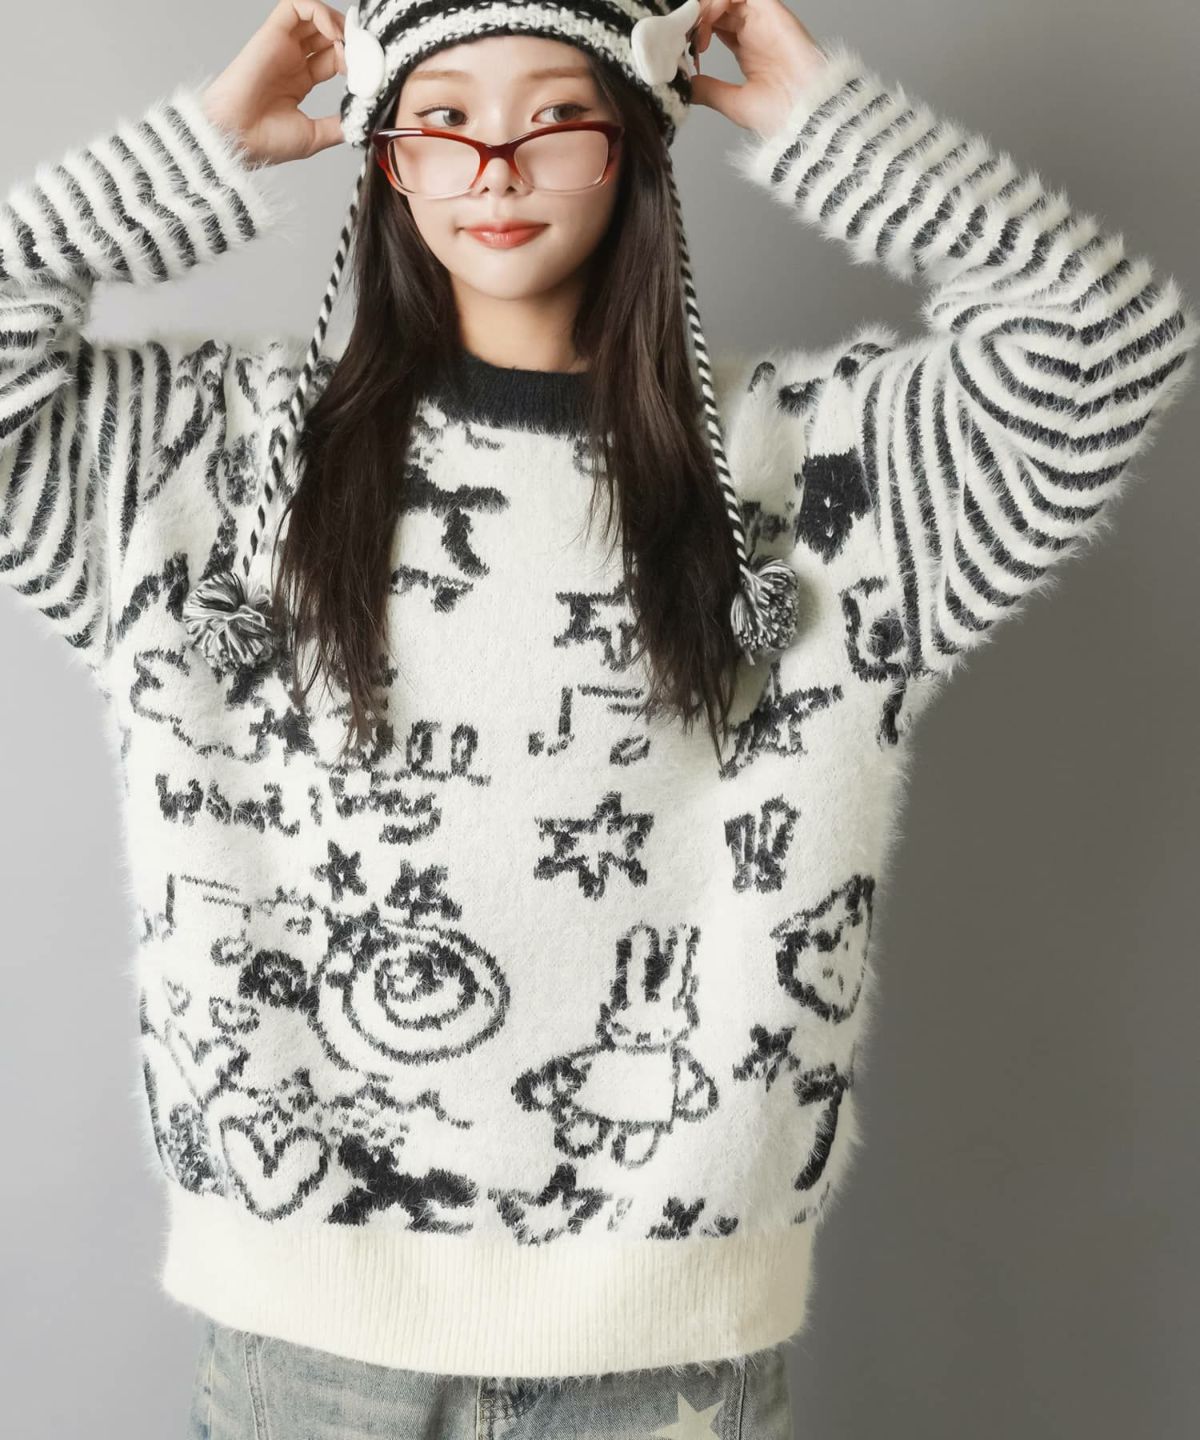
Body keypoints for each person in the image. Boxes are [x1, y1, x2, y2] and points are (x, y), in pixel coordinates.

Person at [2, 1, 1195, 1436]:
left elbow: (1102, 345)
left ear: (632, 142)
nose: (495, 167)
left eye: (557, 115)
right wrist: (201, 147)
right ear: (386, 156)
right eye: (444, 117)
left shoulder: (829, 475)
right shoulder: (197, 463)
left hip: (668, 1359)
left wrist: (826, 123)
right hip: (304, 1352)